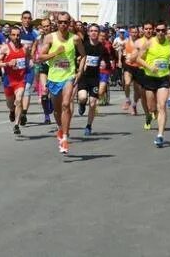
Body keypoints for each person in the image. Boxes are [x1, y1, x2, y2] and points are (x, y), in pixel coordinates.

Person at [37, 12, 87, 155]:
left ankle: (65, 137)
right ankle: (60, 128)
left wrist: (80, 72)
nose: (63, 25)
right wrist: (55, 53)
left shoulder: (75, 39)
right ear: (57, 23)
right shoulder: (50, 37)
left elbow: (83, 55)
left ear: (69, 23)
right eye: (60, 22)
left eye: (65, 22)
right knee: (57, 110)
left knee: (66, 104)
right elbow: (40, 57)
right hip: (53, 78)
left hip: (68, 77)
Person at [135, 21, 170, 147]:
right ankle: (152, 115)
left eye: (163, 30)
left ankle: (160, 135)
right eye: (158, 30)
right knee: (152, 107)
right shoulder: (149, 43)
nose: (161, 32)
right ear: (155, 31)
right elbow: (138, 58)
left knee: (162, 105)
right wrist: (149, 67)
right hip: (150, 78)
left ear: (166, 31)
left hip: (163, 78)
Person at [0, 26, 29, 135]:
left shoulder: (25, 48)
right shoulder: (5, 48)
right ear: (10, 35)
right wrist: (7, 64)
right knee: (10, 104)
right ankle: (12, 111)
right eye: (13, 35)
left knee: (18, 100)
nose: (16, 37)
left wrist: (30, 65)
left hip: (20, 81)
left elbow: (29, 59)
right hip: (9, 81)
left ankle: (16, 125)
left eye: (18, 35)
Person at [77, 24, 109, 136]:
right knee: (82, 97)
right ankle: (81, 104)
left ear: (98, 33)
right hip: (83, 77)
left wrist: (105, 63)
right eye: (91, 31)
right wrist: (79, 61)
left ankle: (88, 126)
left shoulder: (102, 48)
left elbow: (108, 62)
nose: (94, 32)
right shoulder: (83, 46)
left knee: (93, 103)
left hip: (95, 78)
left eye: (96, 31)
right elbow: (76, 57)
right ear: (88, 33)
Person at [17, 11, 39, 124]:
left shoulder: (34, 33)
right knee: (18, 93)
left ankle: (24, 113)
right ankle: (16, 111)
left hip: (29, 67)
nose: (27, 20)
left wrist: (33, 57)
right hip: (18, 67)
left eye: (29, 18)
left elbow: (38, 43)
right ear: (21, 19)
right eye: (24, 18)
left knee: (26, 90)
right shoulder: (17, 32)